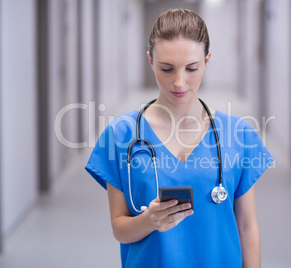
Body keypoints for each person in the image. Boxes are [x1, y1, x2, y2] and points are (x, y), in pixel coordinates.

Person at [85, 8, 273, 268]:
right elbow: (120, 229)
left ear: (207, 60)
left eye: (192, 68)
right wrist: (148, 221)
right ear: (150, 60)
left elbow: (247, 226)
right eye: (167, 68)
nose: (179, 82)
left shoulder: (238, 135)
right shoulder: (120, 135)